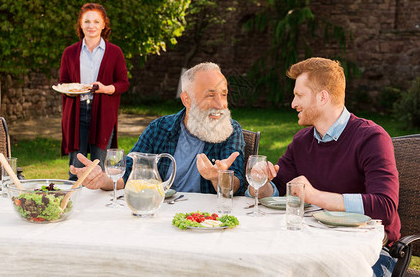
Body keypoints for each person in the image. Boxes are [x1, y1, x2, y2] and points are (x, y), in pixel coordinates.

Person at [248, 57, 400, 277]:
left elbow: (385, 206)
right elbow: (278, 188)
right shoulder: (302, 141)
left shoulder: (372, 138)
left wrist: (315, 196)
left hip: (369, 252)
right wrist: (261, 182)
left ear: (322, 97)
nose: (293, 104)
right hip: (313, 245)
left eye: (299, 95)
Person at [72, 62, 245, 194]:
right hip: (158, 213)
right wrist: (104, 180)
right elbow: (129, 171)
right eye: (210, 95)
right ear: (186, 100)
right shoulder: (159, 128)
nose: (221, 104)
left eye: (224, 94)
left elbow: (235, 186)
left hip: (205, 220)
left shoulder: (230, 130)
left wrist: (219, 177)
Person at [59, 3, 130, 181]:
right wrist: (70, 91)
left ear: (104, 25)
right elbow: (63, 83)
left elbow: (123, 84)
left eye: (96, 21)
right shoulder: (69, 53)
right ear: (81, 24)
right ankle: (73, 202)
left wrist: (105, 89)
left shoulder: (115, 53)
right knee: (76, 167)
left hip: (103, 113)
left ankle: (100, 205)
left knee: (101, 167)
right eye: (87, 21)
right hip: (76, 113)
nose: (92, 26)